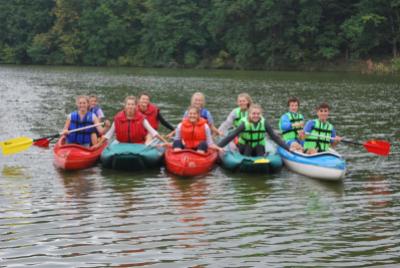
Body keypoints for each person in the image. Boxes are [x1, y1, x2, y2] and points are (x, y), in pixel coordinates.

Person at [218, 104, 289, 156]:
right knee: (249, 147)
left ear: (261, 114)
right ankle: (246, 161)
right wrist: (218, 147)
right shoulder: (244, 124)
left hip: (258, 147)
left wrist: (288, 148)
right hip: (245, 147)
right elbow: (231, 136)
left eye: (258, 114)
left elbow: (275, 137)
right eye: (254, 114)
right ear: (249, 114)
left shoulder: (264, 123)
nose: (256, 116)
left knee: (259, 146)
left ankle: (261, 160)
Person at [100, 96, 167, 144]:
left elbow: (153, 132)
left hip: (138, 144)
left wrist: (166, 142)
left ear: (135, 106)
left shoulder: (142, 118)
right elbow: (109, 134)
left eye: (132, 104)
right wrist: (97, 145)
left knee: (149, 135)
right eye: (128, 104)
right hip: (122, 144)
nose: (130, 106)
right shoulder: (118, 118)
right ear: (125, 105)